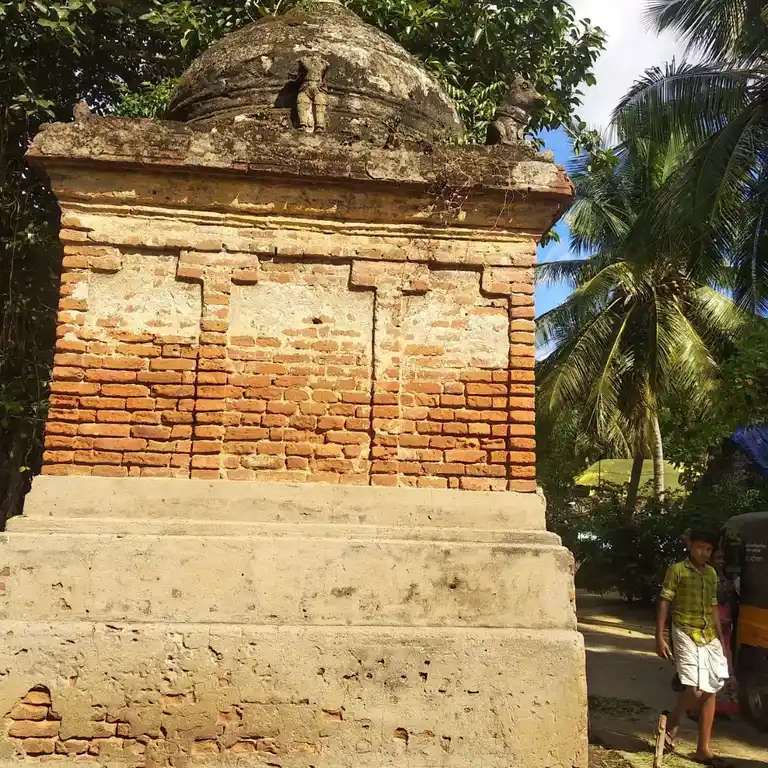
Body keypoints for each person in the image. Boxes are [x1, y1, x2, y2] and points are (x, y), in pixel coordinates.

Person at [656, 529, 729, 764]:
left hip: (709, 635)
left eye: (708, 549)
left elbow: (714, 607)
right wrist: (659, 635)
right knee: (695, 689)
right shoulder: (677, 570)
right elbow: (665, 601)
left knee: (712, 689)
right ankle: (672, 720)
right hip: (685, 631)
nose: (704, 553)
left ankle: (703, 749)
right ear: (690, 545)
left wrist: (721, 639)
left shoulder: (711, 574)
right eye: (700, 547)